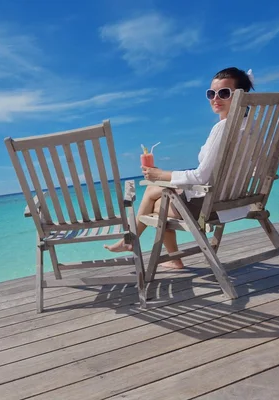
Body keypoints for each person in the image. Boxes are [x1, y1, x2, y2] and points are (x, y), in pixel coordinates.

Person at [104, 67, 255, 269]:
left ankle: (141, 245)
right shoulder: (252, 125)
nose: (215, 98)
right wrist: (165, 177)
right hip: (240, 199)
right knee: (155, 195)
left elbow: (201, 176)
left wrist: (160, 174)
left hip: (214, 205)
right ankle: (150, 249)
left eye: (224, 93)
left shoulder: (223, 128)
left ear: (239, 96)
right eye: (211, 93)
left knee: (158, 207)